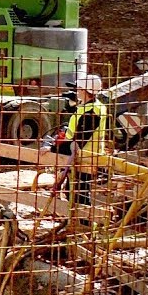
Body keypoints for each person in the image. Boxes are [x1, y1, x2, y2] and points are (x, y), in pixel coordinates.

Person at [51, 73, 107, 206]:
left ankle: (84, 218)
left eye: (78, 89)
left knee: (79, 194)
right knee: (72, 191)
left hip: (84, 157)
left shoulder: (92, 112)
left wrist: (53, 148)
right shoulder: (93, 107)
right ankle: (78, 217)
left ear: (84, 90)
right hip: (82, 156)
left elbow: (79, 141)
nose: (76, 91)